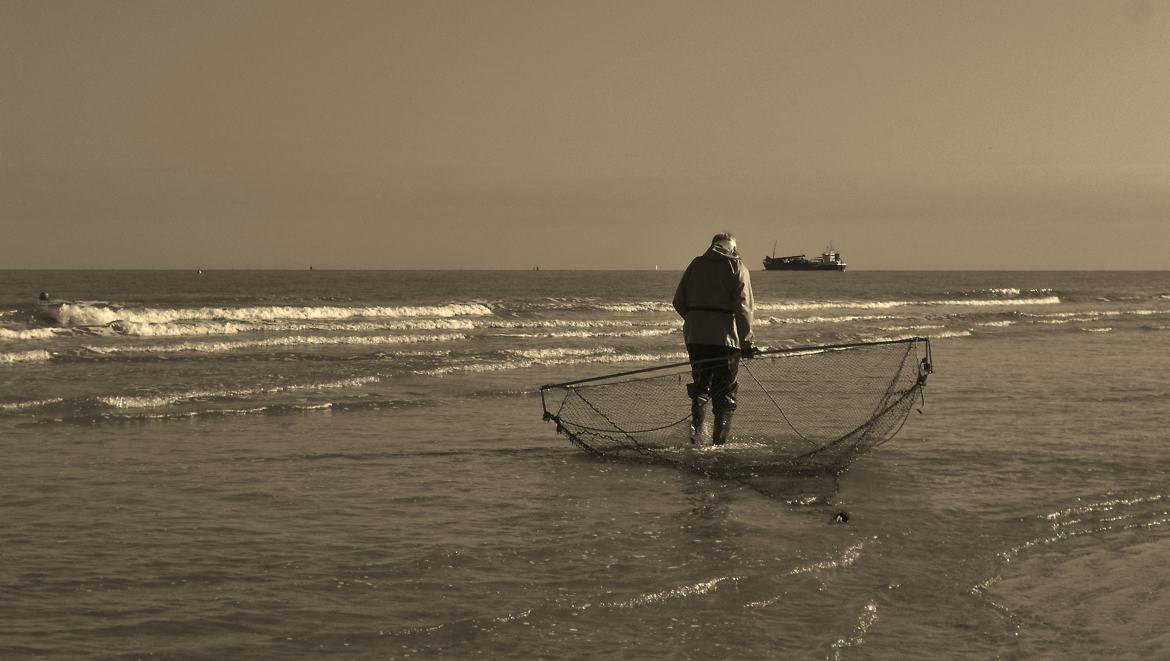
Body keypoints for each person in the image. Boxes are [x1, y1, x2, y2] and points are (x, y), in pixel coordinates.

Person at [672, 232, 756, 445]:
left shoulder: (696, 264)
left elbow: (678, 301)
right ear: (733, 248)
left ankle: (695, 437)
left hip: (695, 337)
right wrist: (747, 344)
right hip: (726, 341)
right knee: (725, 395)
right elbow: (744, 308)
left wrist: (697, 321)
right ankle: (718, 445)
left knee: (701, 388)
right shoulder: (738, 267)